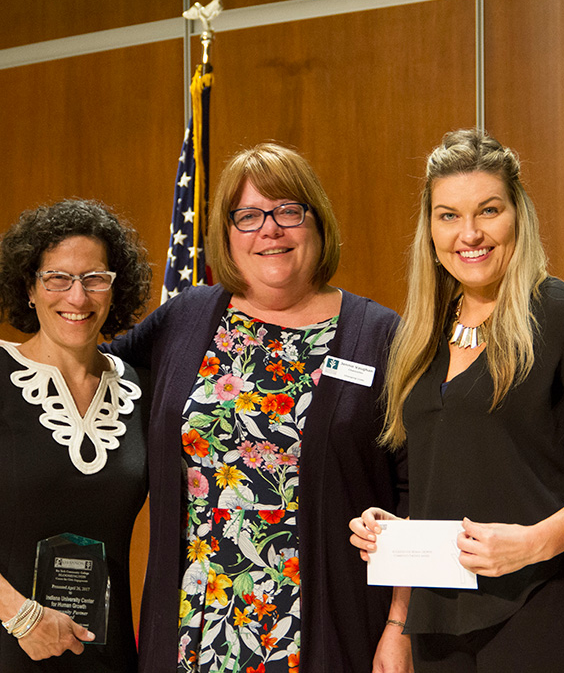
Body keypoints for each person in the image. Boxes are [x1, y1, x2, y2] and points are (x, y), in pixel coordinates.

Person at [105, 142, 407, 673]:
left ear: (318, 223)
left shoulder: (381, 336)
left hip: (327, 629)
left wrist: (399, 625)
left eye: (288, 211)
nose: (270, 230)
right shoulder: (187, 317)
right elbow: (87, 370)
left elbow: (416, 488)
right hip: (193, 628)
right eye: (248, 216)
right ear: (226, 234)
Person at [349, 129, 564, 672]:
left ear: (518, 214)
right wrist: (392, 550)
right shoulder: (419, 337)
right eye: (448, 215)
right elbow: (425, 484)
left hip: (543, 610)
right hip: (438, 628)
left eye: (488, 211)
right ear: (429, 229)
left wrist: (533, 543)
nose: (468, 233)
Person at [0, 199, 151, 672]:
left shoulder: (143, 389)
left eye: (94, 279)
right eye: (58, 278)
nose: (78, 297)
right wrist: (20, 616)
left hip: (106, 654)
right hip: (9, 643)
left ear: (114, 288)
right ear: (30, 287)